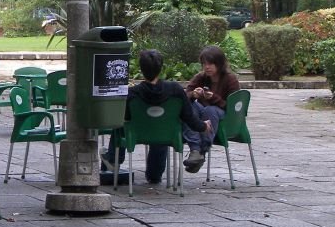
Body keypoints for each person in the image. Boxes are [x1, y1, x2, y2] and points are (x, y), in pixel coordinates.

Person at [102, 49, 212, 185]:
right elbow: (188, 116)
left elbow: (125, 117)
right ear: (161, 68)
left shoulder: (132, 94)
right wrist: (203, 126)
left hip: (138, 133)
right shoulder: (175, 90)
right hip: (167, 134)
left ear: (141, 69)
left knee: (120, 124)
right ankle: (154, 176)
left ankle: (113, 159)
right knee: (163, 126)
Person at [182, 45, 241, 173]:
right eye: (204, 64)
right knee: (187, 108)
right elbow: (185, 96)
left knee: (211, 110)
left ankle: (202, 149)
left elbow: (231, 107)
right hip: (201, 111)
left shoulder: (230, 79)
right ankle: (195, 150)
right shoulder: (201, 77)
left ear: (219, 64)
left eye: (211, 64)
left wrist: (213, 98)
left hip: (221, 114)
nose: (207, 67)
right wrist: (193, 94)